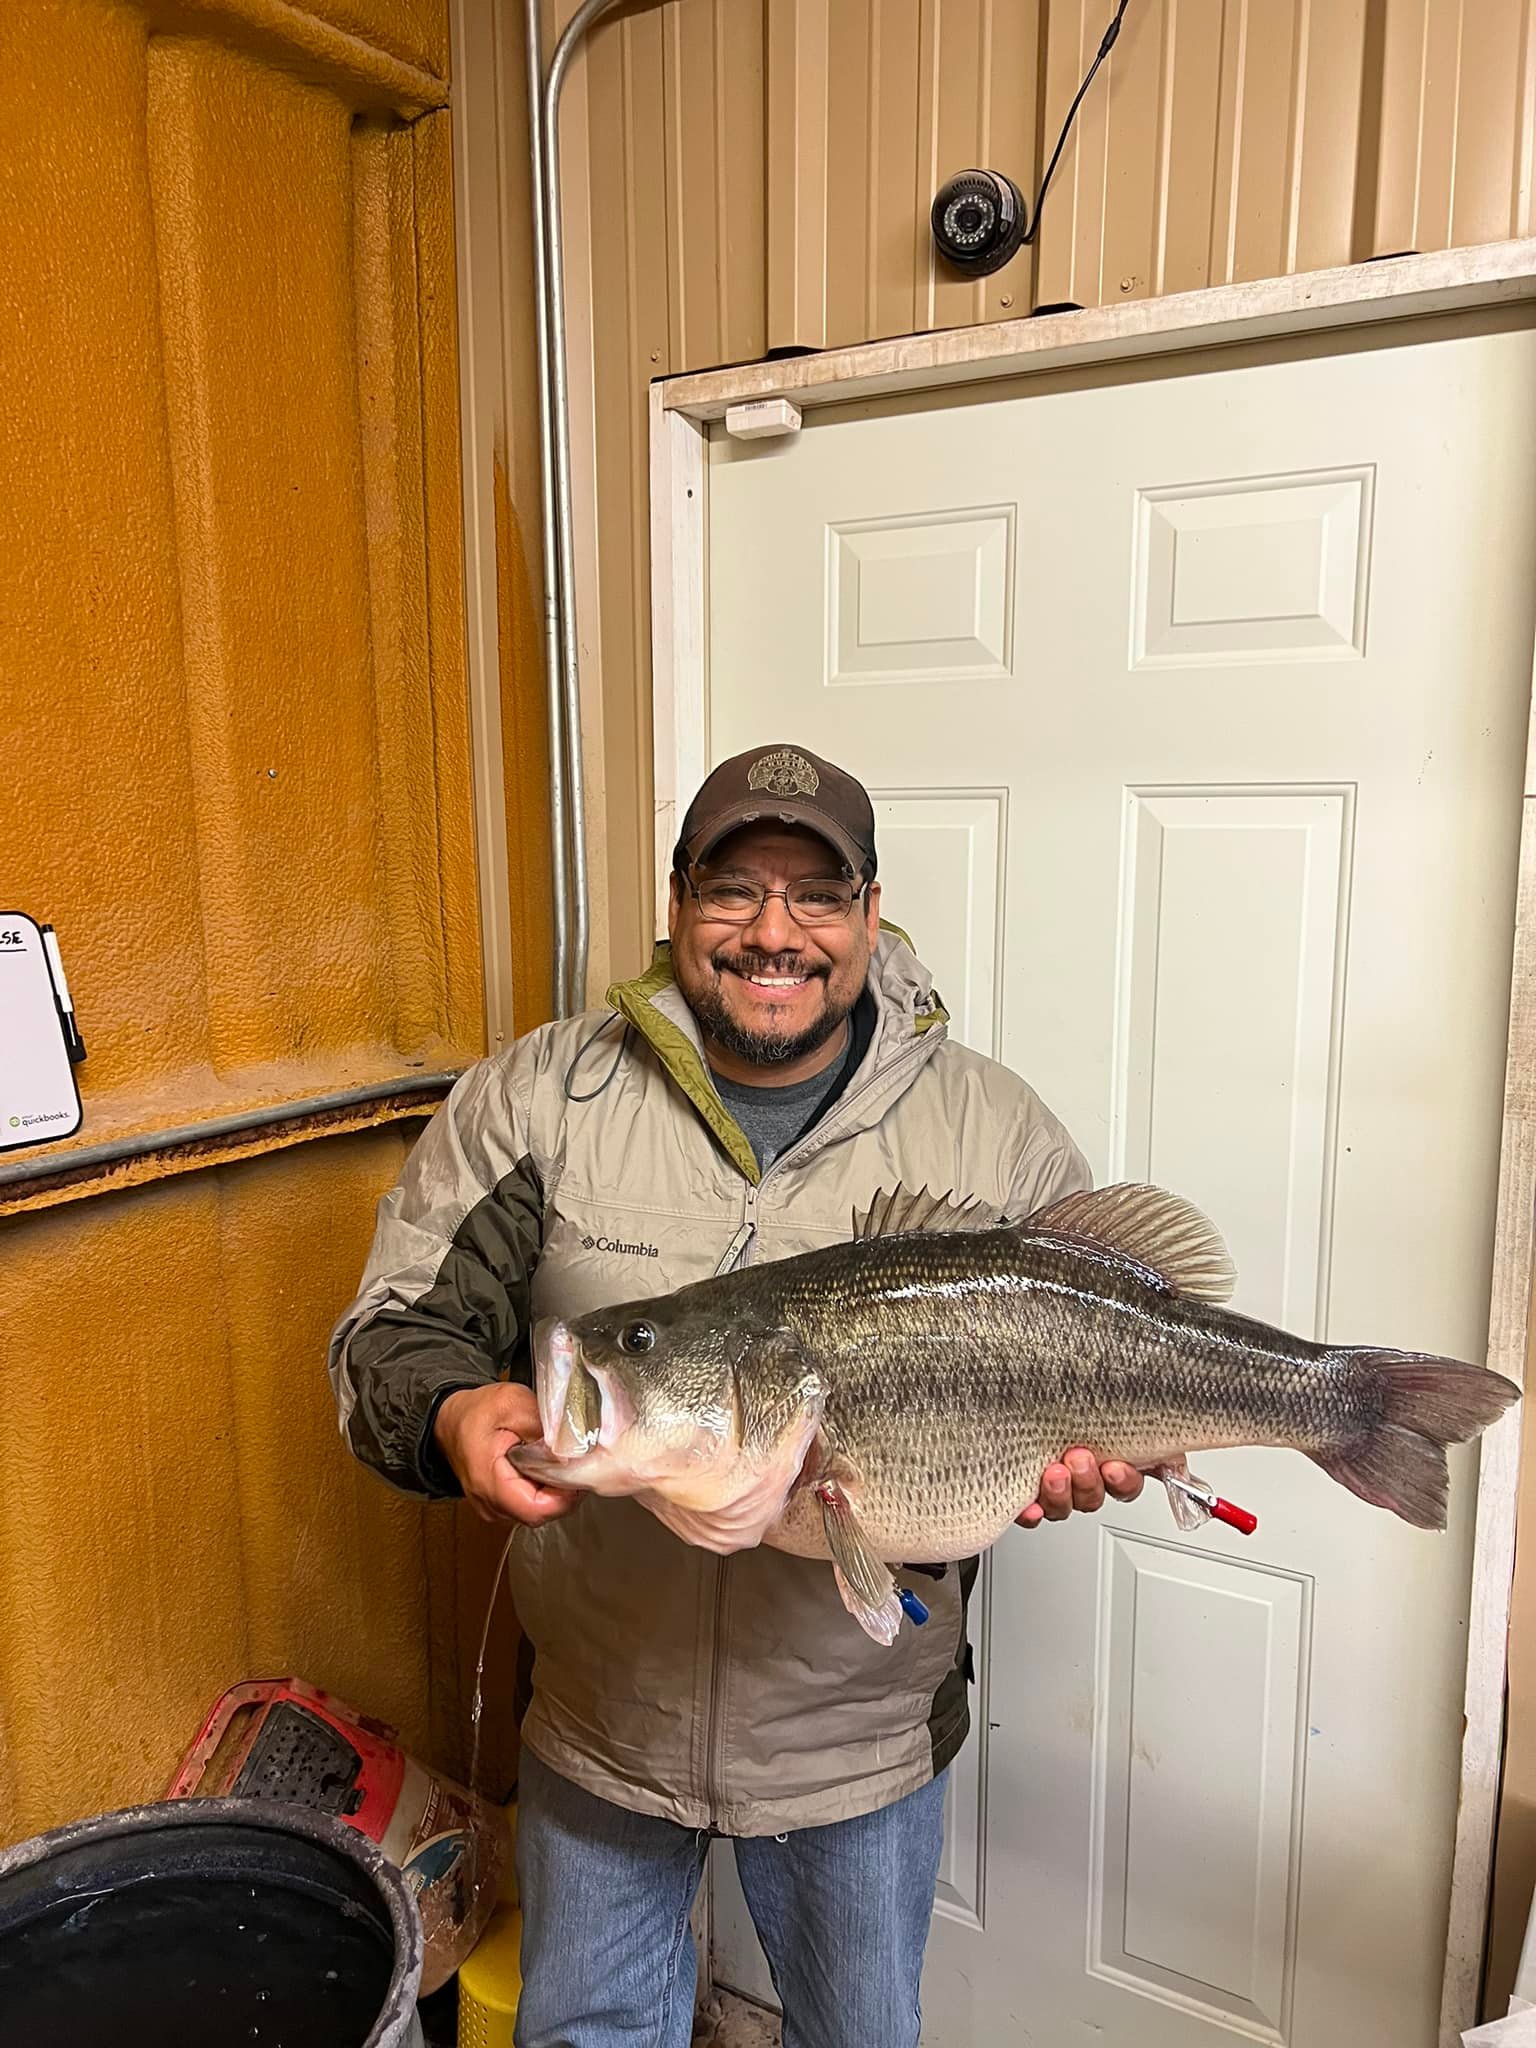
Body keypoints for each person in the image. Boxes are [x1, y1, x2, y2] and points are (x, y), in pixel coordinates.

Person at [328, 744, 1143, 2048]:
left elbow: (1094, 1353)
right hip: (603, 1728)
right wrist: (452, 1418)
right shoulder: (543, 1100)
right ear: (676, 903)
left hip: (858, 1745)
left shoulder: (993, 1134)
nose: (775, 932)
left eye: (817, 894)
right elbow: (393, 1333)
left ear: (872, 915)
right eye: (732, 890)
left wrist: (1076, 1459)